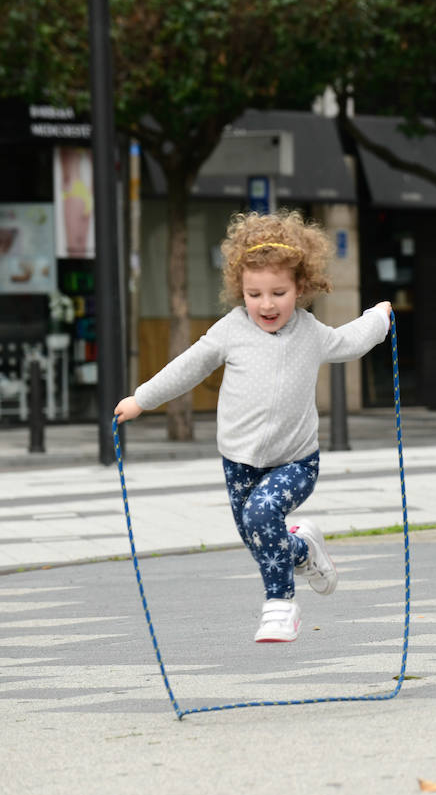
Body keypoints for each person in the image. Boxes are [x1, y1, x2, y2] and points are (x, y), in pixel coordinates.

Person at [114, 209, 392, 643]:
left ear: (300, 288)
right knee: (261, 540)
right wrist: (141, 399)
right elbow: (187, 367)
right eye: (254, 293)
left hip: (296, 461)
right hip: (238, 462)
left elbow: (351, 342)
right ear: (238, 289)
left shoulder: (310, 332)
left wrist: (379, 318)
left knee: (263, 515)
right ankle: (305, 548)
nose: (266, 304)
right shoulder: (231, 331)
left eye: (278, 293)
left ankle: (280, 607)